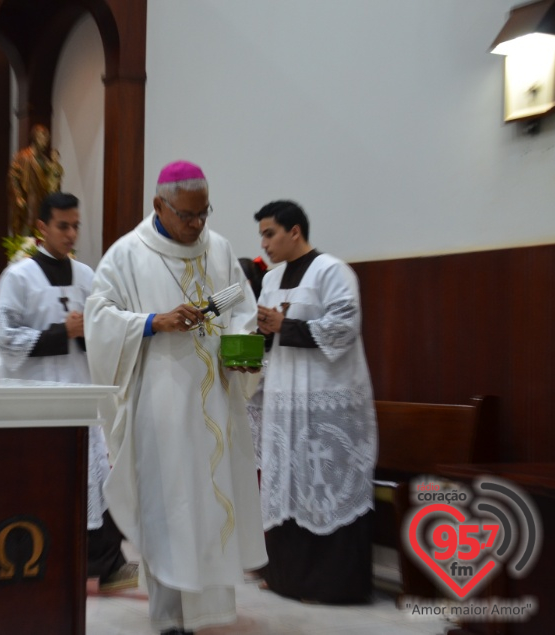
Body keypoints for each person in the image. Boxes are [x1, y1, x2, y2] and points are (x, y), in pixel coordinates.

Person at [84, 161, 267, 635]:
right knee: (171, 507)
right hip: (161, 406)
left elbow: (236, 302)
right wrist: (152, 322)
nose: (197, 224)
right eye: (187, 215)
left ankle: (206, 613)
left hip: (217, 404)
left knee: (209, 506)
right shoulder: (127, 255)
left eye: (204, 213)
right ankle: (168, 619)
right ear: (158, 206)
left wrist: (242, 346)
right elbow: (98, 317)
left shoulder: (220, 250)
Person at [0, 191, 138, 593]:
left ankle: (106, 566)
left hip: (79, 391)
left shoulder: (88, 277)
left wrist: (90, 332)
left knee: (93, 477)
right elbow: (4, 339)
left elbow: (106, 334)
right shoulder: (18, 278)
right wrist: (63, 331)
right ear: (41, 228)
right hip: (33, 396)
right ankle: (42, 560)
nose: (72, 234)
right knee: (42, 478)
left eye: (76, 226)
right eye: (63, 226)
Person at [252, 199, 378, 604]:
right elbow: (267, 337)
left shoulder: (333, 271)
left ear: (294, 232)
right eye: (262, 235)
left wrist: (285, 325)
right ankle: (287, 577)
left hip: (328, 404)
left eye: (270, 233)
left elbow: (344, 327)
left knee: (326, 482)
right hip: (284, 402)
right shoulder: (270, 281)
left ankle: (332, 585)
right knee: (286, 485)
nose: (265, 243)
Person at [8, 124, 64, 237]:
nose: (45, 142)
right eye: (41, 138)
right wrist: (18, 196)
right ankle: (23, 249)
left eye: (46, 139)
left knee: (42, 227)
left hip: (42, 200)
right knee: (28, 226)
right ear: (35, 138)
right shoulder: (23, 157)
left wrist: (55, 178)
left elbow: (52, 182)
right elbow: (13, 176)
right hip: (29, 199)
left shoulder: (46, 161)